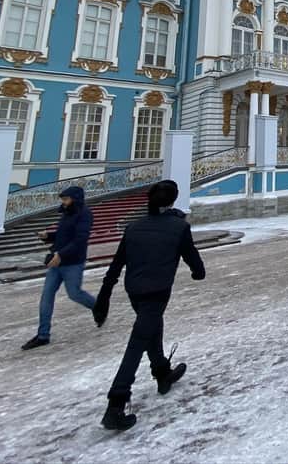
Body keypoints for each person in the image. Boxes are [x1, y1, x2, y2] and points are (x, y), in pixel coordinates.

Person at [93, 180, 206, 431]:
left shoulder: (134, 227)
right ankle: (116, 401)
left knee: (150, 329)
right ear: (174, 201)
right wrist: (198, 272)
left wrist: (105, 293)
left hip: (134, 290)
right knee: (138, 342)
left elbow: (117, 263)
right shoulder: (178, 227)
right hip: (157, 292)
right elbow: (193, 259)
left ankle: (162, 372)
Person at [21, 186, 96, 350]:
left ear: (75, 199)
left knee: (75, 293)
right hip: (57, 262)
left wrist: (61, 254)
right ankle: (43, 335)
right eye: (63, 199)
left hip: (73, 262)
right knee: (46, 296)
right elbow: (63, 235)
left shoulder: (85, 215)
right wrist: (48, 236)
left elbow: (80, 240)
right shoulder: (66, 213)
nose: (63, 202)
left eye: (66, 199)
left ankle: (98, 307)